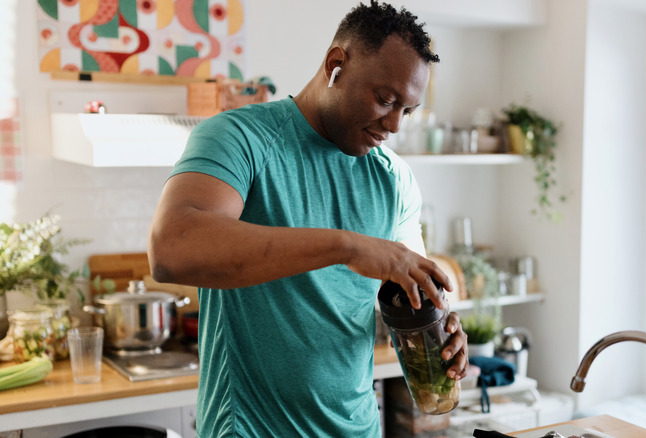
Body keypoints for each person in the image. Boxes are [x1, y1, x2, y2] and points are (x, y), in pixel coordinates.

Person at [148, 1, 468, 436]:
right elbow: (173, 248)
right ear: (337, 63)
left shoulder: (393, 179)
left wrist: (439, 334)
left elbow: (412, 298)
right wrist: (347, 246)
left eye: (406, 110)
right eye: (385, 99)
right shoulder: (239, 138)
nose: (393, 124)